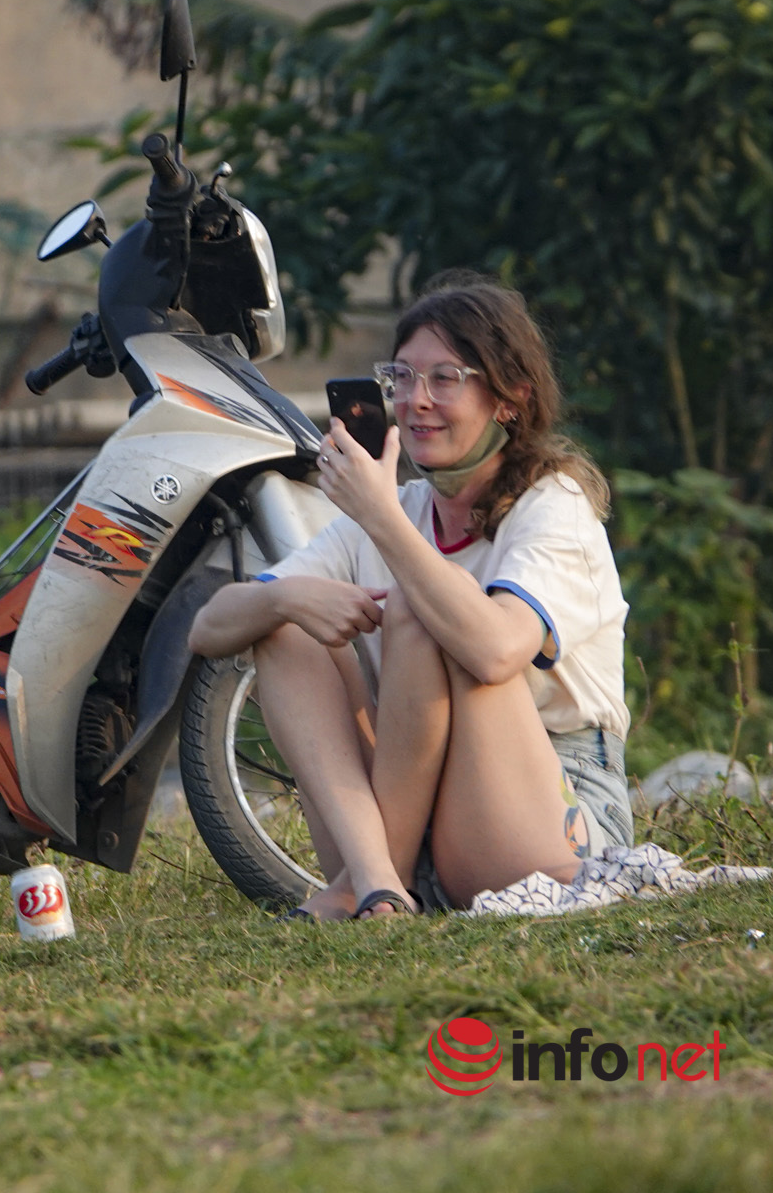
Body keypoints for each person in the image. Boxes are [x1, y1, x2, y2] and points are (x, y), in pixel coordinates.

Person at [188, 274, 632, 919]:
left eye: (446, 378)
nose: (415, 401)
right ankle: (377, 883)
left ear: (509, 400)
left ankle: (369, 884)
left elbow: (497, 652)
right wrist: (286, 601)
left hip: (550, 816)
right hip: (407, 817)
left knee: (430, 608)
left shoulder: (553, 505)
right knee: (282, 622)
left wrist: (386, 523)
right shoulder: (392, 510)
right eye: (401, 378)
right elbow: (208, 629)